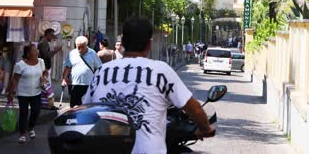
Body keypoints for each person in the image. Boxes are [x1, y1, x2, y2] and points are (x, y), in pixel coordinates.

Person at [83, 18, 215, 154]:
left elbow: (86, 107)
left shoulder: (101, 71)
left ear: (122, 43)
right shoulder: (161, 70)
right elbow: (194, 108)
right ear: (149, 45)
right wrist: (205, 128)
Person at [7, 44, 48, 144]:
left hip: (36, 92)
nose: (37, 51)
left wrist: (43, 78)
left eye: (36, 49)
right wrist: (10, 93)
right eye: (34, 50)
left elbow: (44, 72)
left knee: (36, 111)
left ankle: (31, 128)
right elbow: (14, 80)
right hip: (23, 93)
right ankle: (22, 134)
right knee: (23, 113)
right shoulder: (20, 65)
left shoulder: (41, 62)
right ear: (28, 54)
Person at [61, 36, 102, 108]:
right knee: (74, 106)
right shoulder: (72, 53)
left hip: (88, 84)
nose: (80, 49)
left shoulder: (92, 53)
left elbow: (99, 68)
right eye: (78, 47)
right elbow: (67, 67)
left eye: (82, 47)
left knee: (86, 106)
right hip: (74, 83)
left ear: (86, 45)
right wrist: (64, 79)